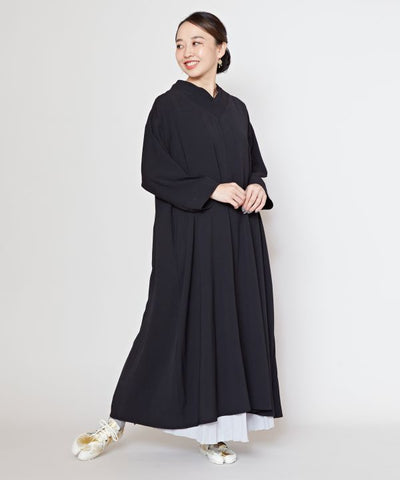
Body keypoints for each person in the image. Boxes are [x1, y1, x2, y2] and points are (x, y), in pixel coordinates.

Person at [72, 11, 283, 465]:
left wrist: (256, 187)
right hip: (187, 235)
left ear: (220, 49)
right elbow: (153, 171)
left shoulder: (237, 109)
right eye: (180, 44)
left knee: (226, 327)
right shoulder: (167, 106)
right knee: (167, 324)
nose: (187, 52)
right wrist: (210, 188)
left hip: (237, 238)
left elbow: (253, 165)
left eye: (197, 42)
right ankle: (117, 419)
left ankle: (213, 432)